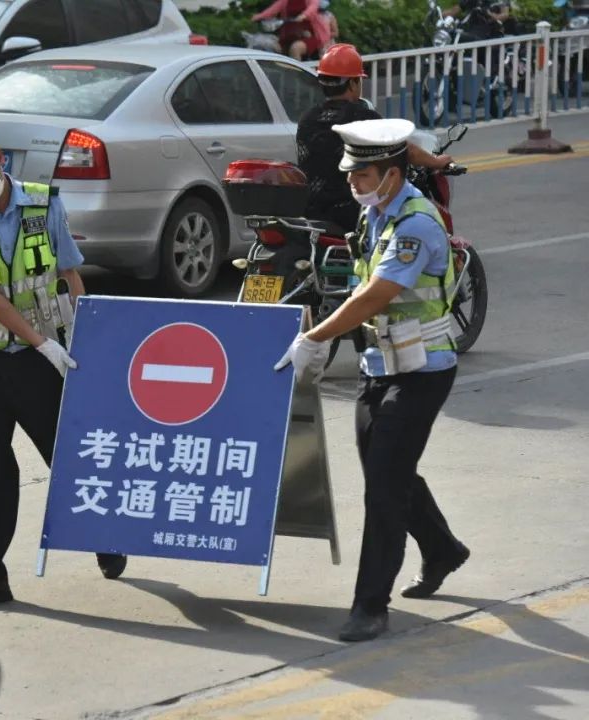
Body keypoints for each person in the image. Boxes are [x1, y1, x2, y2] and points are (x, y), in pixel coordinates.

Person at [276, 118, 471, 643]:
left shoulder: (414, 224)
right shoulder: (375, 216)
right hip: (380, 367)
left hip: (424, 371)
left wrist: (315, 337)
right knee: (390, 474)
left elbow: (377, 293)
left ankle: (370, 605)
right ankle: (444, 549)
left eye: (361, 174)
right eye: (351, 173)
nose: (351, 182)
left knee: (383, 487)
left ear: (390, 173)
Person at [0, 127, 127, 610]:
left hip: (46, 365)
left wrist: (87, 337)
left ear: (0, 161)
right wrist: (41, 343)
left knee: (69, 458)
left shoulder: (45, 204)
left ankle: (106, 536)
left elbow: (69, 273)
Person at [296, 44, 453, 234]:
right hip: (353, 209)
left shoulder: (307, 118)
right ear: (353, 83)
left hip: (313, 209)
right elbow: (405, 149)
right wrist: (436, 162)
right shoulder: (361, 115)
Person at [252, 0, 331, 60]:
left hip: (308, 36)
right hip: (288, 35)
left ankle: (297, 77)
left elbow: (312, 8)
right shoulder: (285, 1)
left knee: (295, 48)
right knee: (274, 50)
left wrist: (303, 15)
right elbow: (272, 10)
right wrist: (259, 16)